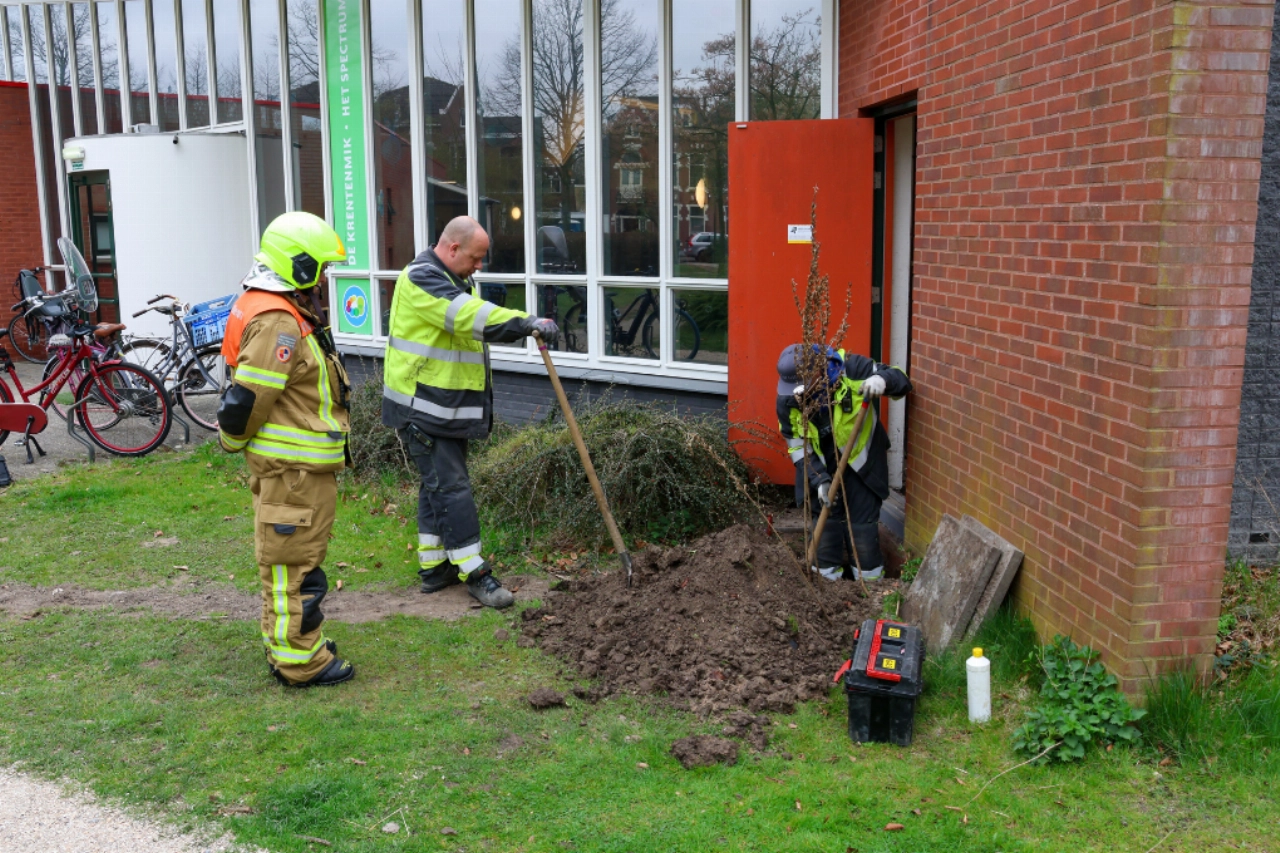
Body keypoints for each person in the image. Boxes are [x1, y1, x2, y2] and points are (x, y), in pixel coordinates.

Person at [382, 216, 559, 608]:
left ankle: (435, 568)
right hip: (423, 405)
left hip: (441, 404)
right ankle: (474, 570)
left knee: (437, 487)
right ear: (453, 248)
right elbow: (469, 317)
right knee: (453, 489)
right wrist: (525, 323)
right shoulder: (422, 279)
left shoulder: (454, 277)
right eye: (476, 258)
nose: (479, 266)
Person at [218, 211, 355, 688]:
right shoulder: (278, 320)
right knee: (292, 567)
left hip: (295, 469)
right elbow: (248, 400)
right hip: (293, 470)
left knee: (297, 560)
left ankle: (301, 641)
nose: (321, 279)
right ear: (296, 266)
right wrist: (232, 441)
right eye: (318, 269)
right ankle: (299, 662)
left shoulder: (273, 307)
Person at [776, 343, 911, 582]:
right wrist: (819, 480)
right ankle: (825, 585)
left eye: (803, 386)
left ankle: (870, 591)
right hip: (819, 464)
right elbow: (797, 446)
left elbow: (901, 381)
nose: (798, 394)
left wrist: (882, 380)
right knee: (826, 526)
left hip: (861, 463)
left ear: (818, 371)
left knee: (862, 529)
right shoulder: (788, 400)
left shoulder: (853, 370)